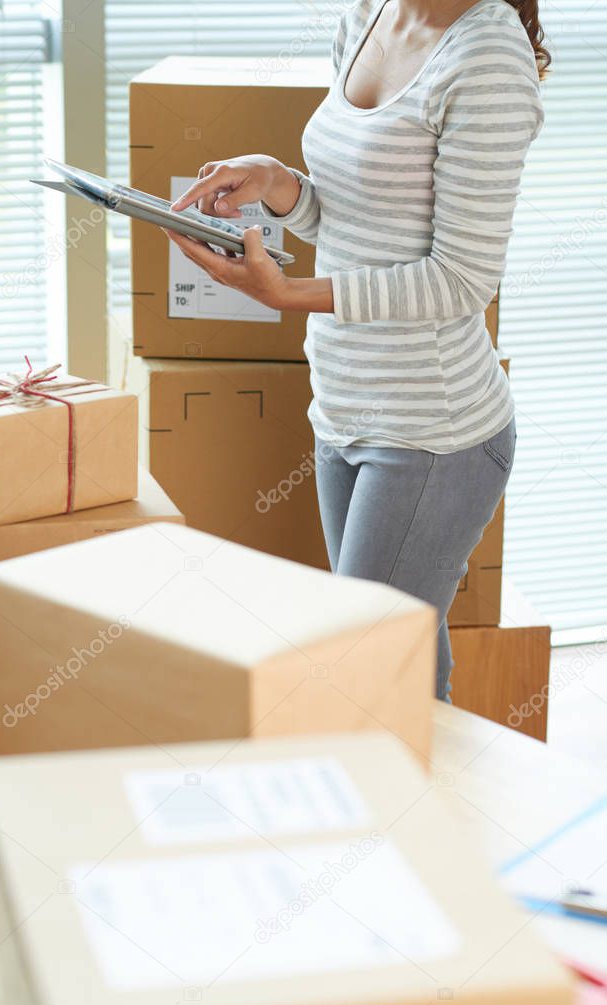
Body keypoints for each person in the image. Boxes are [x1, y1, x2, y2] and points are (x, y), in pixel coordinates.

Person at [168, 0, 550, 701]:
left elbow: (462, 280)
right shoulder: (369, 14)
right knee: (395, 671)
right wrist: (278, 184)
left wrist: (289, 294)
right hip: (342, 407)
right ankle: (435, 808)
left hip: (431, 431)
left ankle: (420, 808)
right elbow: (356, 214)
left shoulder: (487, 58)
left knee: (363, 674)